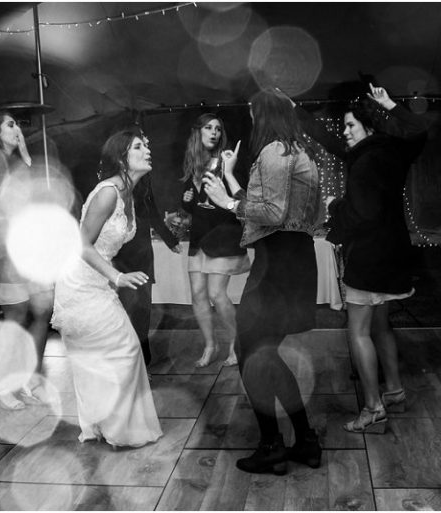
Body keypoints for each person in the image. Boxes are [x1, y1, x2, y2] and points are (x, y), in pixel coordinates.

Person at [294, 83, 428, 433]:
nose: (345, 132)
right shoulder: (391, 150)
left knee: (358, 333)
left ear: (368, 127)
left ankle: (373, 407)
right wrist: (391, 103)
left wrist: (334, 208)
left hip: (369, 256)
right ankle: (394, 391)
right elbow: (419, 130)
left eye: (351, 125)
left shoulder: (365, 161)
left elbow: (361, 214)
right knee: (381, 325)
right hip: (393, 253)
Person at [203, 89, 322, 475]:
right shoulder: (300, 153)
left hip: (278, 264)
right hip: (295, 259)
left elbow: (271, 212)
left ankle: (272, 446)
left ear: (265, 115)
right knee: (263, 352)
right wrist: (232, 180)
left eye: (254, 115)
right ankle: (305, 441)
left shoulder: (273, 152)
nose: (252, 122)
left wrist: (226, 201)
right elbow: (293, 211)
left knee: (250, 350)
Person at [51, 127, 162, 448]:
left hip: (98, 282)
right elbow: (81, 244)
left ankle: (104, 424)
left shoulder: (129, 194)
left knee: (105, 357)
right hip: (79, 283)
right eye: (138, 147)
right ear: (122, 158)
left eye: (146, 145)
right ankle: (116, 427)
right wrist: (117, 277)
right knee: (124, 350)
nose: (147, 150)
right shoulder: (108, 192)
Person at [0, 110, 54, 410]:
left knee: (42, 312)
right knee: (16, 317)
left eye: (18, 123)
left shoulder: (20, 162)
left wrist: (26, 156)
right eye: (11, 124)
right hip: (5, 252)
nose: (18, 128)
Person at [180, 113, 249, 368]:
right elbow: (194, 205)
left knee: (216, 294)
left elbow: (241, 200)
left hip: (223, 236)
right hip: (199, 237)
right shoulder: (193, 163)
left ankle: (236, 343)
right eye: (208, 128)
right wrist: (186, 201)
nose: (214, 133)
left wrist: (228, 178)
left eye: (218, 129)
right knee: (198, 295)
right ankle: (210, 345)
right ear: (198, 132)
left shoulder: (228, 160)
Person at [113, 172, 181, 369]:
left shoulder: (144, 178)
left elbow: (152, 211)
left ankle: (142, 358)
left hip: (141, 253)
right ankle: (124, 360)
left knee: (142, 309)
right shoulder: (110, 183)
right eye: (141, 151)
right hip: (118, 255)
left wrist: (169, 239)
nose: (148, 155)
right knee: (123, 309)